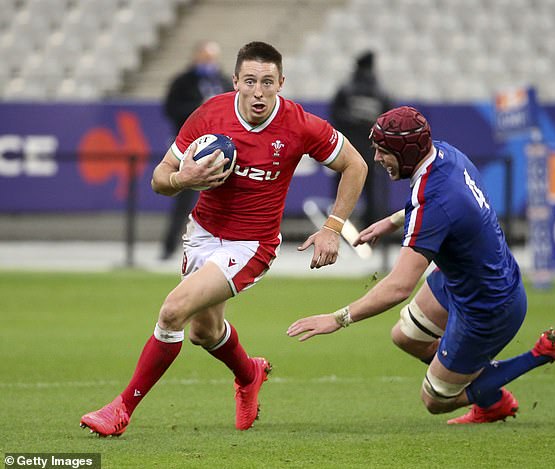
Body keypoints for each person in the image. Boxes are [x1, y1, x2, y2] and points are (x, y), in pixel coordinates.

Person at [80, 41, 368, 436]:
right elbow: (160, 177)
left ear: (281, 83)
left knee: (172, 311)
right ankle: (249, 373)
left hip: (251, 245)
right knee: (204, 332)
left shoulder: (298, 124)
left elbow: (355, 163)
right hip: (202, 234)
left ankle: (120, 410)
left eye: (268, 82)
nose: (259, 91)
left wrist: (333, 228)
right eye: (250, 80)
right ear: (235, 81)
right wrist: (183, 179)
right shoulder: (210, 114)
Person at [287, 106, 555, 424]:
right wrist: (393, 221)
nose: (377, 159)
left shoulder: (435, 201)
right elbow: (444, 208)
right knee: (405, 336)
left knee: (435, 400)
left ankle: (540, 354)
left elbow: (399, 287)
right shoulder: (445, 154)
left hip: (487, 306)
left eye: (383, 152)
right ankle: (479, 386)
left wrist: (338, 319)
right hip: (462, 279)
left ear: (406, 151)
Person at [160, 40, 234, 260]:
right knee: (183, 198)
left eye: (212, 58)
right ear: (196, 57)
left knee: (226, 198)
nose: (209, 62)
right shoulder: (183, 82)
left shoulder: (222, 80)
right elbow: (171, 109)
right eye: (205, 57)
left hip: (221, 149)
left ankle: (224, 247)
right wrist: (199, 107)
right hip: (191, 148)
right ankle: (168, 247)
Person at [330, 51, 392, 228]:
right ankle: (370, 234)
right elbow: (389, 122)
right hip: (371, 151)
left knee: (341, 191)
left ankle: (337, 229)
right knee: (371, 193)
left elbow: (334, 117)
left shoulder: (346, 89)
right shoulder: (381, 92)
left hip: (345, 150)